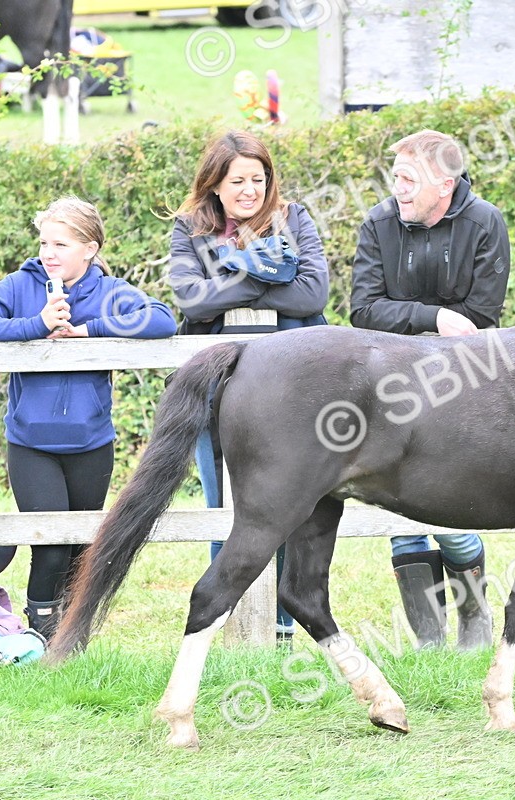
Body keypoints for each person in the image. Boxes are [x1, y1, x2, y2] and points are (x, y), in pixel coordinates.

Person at [0, 197, 177, 636]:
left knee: (80, 543)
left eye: (60, 243)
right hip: (32, 443)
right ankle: (40, 630)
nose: (48, 253)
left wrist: (90, 330)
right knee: (50, 543)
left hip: (91, 442)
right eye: (44, 242)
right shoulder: (20, 285)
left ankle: (72, 633)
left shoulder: (109, 291)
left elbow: (162, 319)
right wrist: (35, 324)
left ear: (90, 248)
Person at [168, 130, 330, 649]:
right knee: (225, 511)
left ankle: (283, 629)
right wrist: (258, 269)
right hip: (217, 391)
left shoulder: (294, 218)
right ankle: (226, 626)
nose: (249, 190)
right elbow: (192, 301)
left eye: (258, 180)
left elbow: (313, 293)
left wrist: (236, 275)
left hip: (296, 392)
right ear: (214, 184)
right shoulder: (189, 229)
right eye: (237, 181)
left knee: (291, 506)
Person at [350, 129, 510, 650]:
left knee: (452, 504)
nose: (396, 188)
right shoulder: (378, 223)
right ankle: (429, 644)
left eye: (407, 179)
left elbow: (482, 316)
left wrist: (435, 326)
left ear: (444, 184)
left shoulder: (485, 222)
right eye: (394, 176)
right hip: (391, 385)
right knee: (399, 509)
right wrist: (434, 316)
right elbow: (362, 309)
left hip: (461, 386)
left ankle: (475, 623)